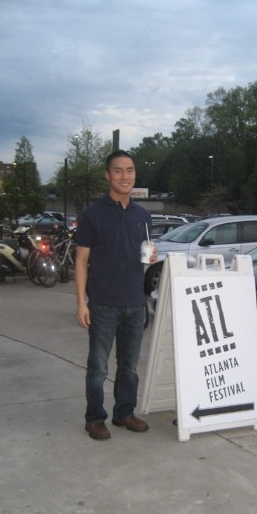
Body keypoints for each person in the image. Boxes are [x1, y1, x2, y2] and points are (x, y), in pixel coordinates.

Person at [75, 150, 157, 440]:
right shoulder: (93, 215)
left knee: (129, 366)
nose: (126, 176)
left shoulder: (143, 216)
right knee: (98, 367)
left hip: (135, 303)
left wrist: (150, 258)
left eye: (130, 170)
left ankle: (125, 413)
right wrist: (81, 303)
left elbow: (143, 257)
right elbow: (82, 260)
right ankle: (95, 417)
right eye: (119, 171)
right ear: (108, 175)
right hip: (103, 304)